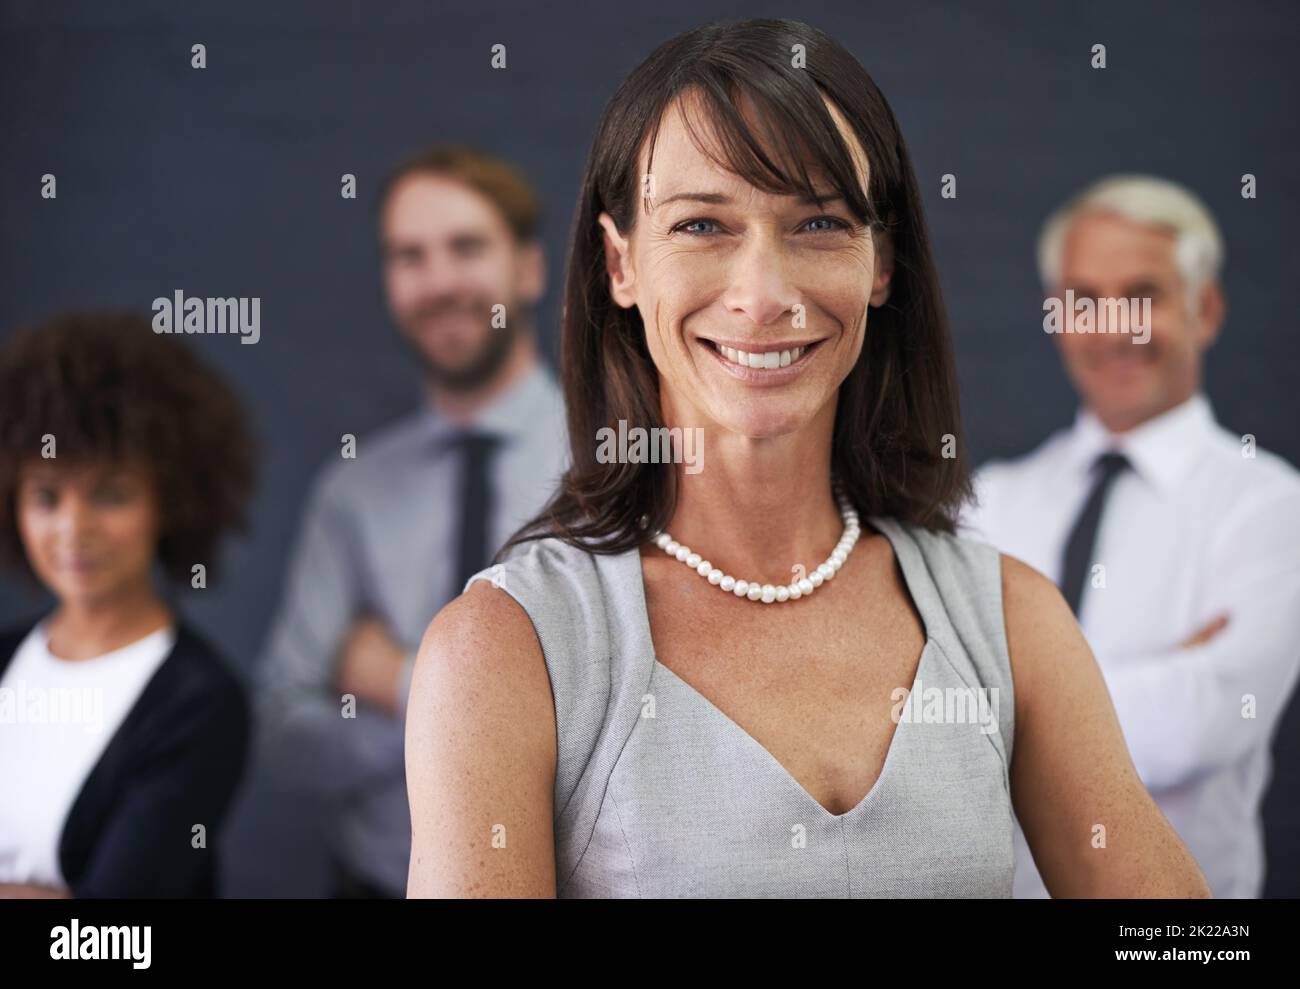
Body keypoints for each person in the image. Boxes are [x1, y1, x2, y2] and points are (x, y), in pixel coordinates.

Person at [405, 18, 1210, 898]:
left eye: (820, 222)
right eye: (703, 223)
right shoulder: (508, 648)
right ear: (620, 263)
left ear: (881, 263)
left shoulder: (1007, 620)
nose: (764, 296)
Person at [961, 175, 1300, 898]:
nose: (1115, 328)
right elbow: (929, 730)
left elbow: (1206, 723)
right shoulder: (989, 501)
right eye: (1083, 300)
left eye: (1142, 295)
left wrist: (1010, 702)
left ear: (1203, 309)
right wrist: (1162, 673)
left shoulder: (1272, 505)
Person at [255, 144, 569, 898]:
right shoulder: (353, 491)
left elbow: (623, 722)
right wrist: (448, 712)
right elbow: (280, 733)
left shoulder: (616, 468)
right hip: (369, 881)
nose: (439, 282)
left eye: (465, 247)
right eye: (410, 257)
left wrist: (390, 679)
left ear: (528, 269)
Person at [0, 310, 256, 898]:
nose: (73, 528)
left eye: (109, 495)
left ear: (170, 503)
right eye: (45, 495)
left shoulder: (200, 704)